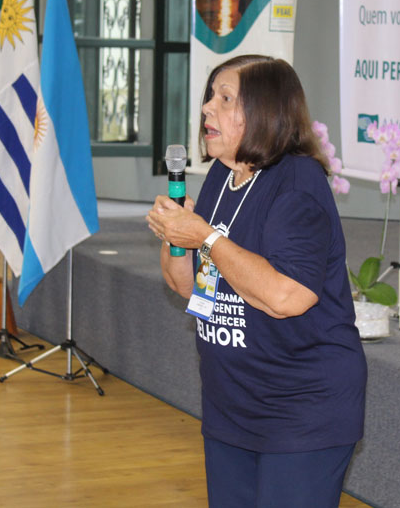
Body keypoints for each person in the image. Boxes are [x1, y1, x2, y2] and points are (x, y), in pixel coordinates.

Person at [146, 54, 367, 508]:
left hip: (302, 408)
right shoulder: (220, 178)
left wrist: (205, 237)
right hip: (233, 406)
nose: (207, 108)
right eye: (210, 96)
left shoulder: (298, 183)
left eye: (225, 99)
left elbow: (288, 296)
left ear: (265, 113)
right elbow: (191, 288)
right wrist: (176, 236)